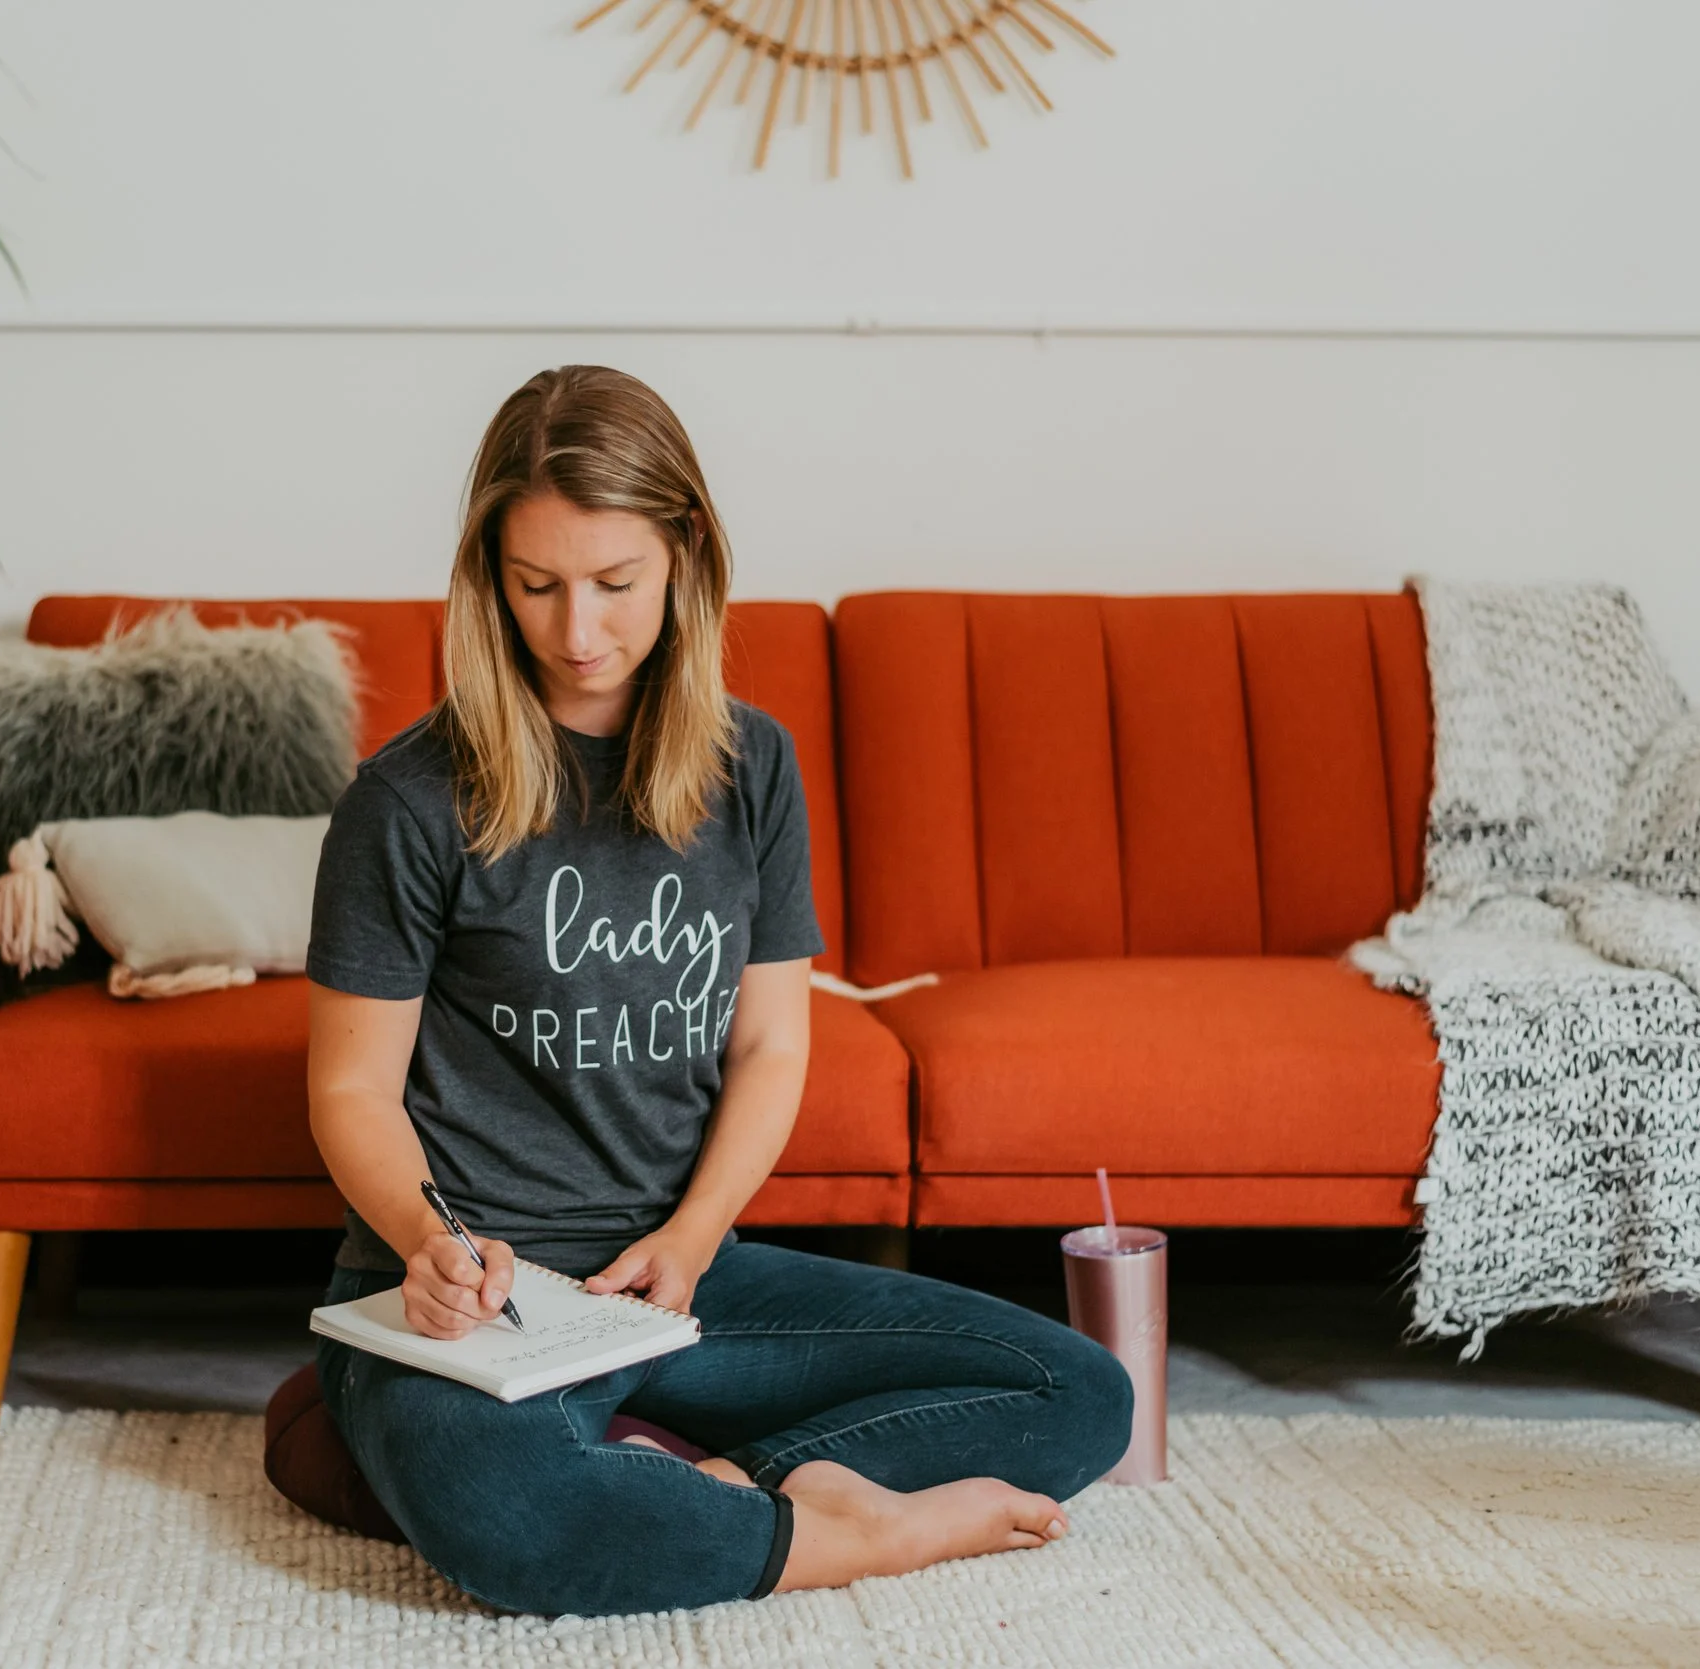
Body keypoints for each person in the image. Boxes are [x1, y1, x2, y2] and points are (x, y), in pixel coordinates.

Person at [306, 365, 1131, 1616]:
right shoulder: (409, 796)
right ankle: (852, 1533)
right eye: (535, 585)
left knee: (1081, 1391)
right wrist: (432, 1246)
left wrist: (689, 1243)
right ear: (488, 577)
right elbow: (350, 1084)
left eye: (614, 584)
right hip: (476, 1299)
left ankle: (724, 1488)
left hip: (681, 1287)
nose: (575, 631)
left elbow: (769, 1052)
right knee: (506, 1509)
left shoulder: (752, 767)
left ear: (685, 554)